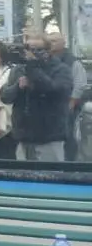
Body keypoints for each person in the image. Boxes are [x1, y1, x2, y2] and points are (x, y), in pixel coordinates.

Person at [0, 31, 72, 162]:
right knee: (24, 177)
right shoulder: (19, 70)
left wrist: (33, 68)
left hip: (49, 135)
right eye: (28, 48)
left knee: (51, 177)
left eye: (36, 49)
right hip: (24, 135)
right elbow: (5, 96)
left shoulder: (61, 69)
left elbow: (54, 90)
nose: (31, 53)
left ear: (47, 50)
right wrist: (18, 86)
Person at [46, 32, 88, 161]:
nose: (51, 43)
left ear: (63, 43)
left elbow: (80, 84)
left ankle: (70, 165)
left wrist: (72, 102)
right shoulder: (46, 59)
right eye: (49, 41)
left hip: (67, 106)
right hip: (50, 106)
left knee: (68, 136)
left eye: (54, 40)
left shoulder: (73, 61)